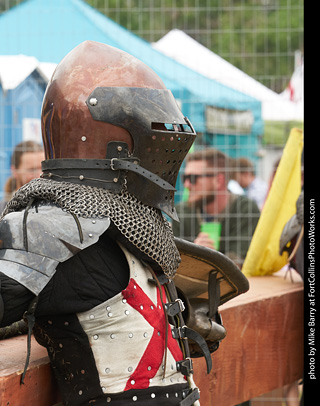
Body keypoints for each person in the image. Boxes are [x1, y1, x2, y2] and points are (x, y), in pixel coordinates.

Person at [0, 40, 240, 406]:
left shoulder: (135, 227)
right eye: (156, 129)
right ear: (114, 145)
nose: (167, 143)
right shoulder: (49, 231)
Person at [173, 149, 260, 267]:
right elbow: (173, 266)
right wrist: (194, 254)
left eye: (193, 178)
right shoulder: (181, 212)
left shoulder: (245, 209)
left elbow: (237, 264)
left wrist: (204, 257)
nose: (187, 185)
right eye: (185, 178)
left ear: (219, 181)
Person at [0, 140, 44, 213]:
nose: (40, 174)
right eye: (32, 170)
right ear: (15, 171)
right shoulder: (3, 210)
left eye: (43, 169)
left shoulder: (58, 206)